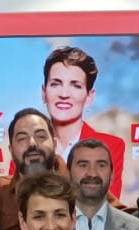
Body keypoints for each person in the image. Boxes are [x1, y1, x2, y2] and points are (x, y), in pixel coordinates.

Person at [41, 45, 128, 198]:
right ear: (44, 93)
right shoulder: (28, 148)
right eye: (56, 83)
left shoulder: (111, 147)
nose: (64, 94)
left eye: (76, 85)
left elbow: (108, 209)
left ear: (89, 97)